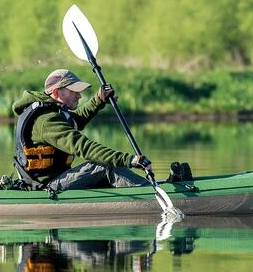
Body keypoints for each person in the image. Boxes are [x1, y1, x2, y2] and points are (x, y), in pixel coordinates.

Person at [12, 68, 151, 192]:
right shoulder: (47, 120)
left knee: (106, 170)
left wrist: (98, 100)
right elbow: (84, 147)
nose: (79, 96)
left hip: (55, 180)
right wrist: (129, 159)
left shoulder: (51, 112)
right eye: (74, 91)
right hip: (47, 186)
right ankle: (150, 192)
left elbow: (75, 120)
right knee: (106, 166)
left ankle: (146, 188)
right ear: (56, 92)